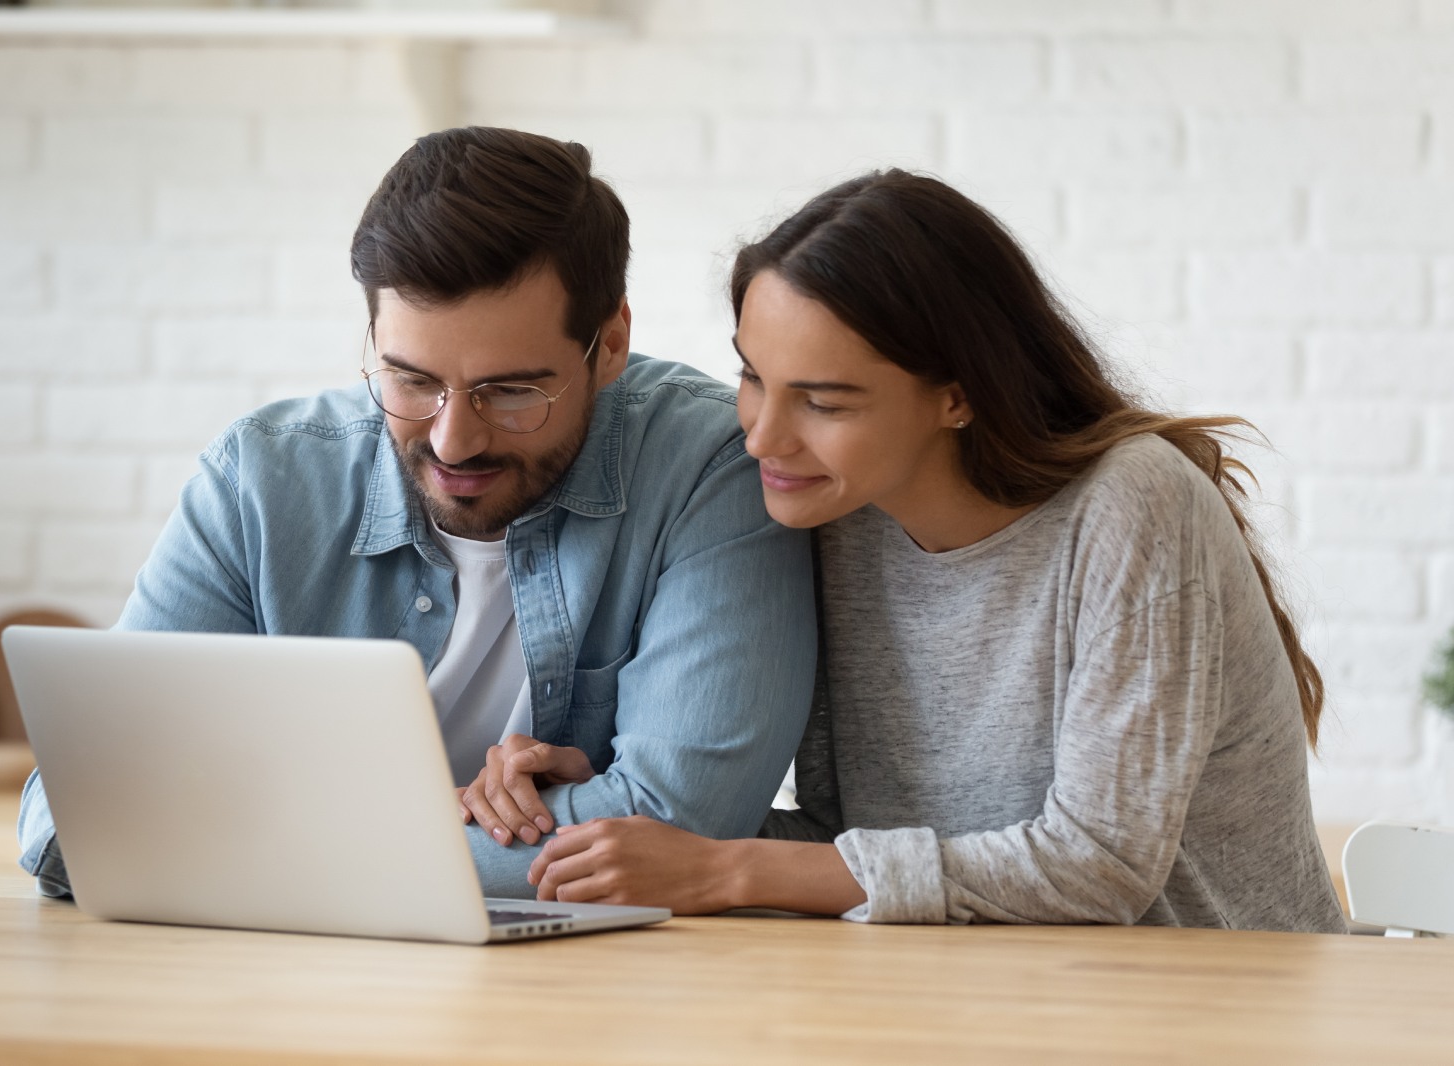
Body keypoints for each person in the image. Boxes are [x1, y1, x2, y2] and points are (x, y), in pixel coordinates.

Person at [524, 170, 1348, 932]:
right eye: (752, 379)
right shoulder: (838, 517)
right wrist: (614, 811)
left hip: (1217, 1003)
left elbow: (1100, 867)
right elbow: (850, 844)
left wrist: (728, 869)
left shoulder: (1132, 503)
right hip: (988, 1000)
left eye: (822, 401)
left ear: (957, 396)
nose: (762, 436)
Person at [17, 127, 818, 900]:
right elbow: (71, 819)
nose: (454, 439)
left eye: (511, 392)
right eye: (410, 380)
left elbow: (681, 824)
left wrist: (256, 842)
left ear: (609, 344)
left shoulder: (711, 465)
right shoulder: (260, 480)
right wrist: (437, 823)